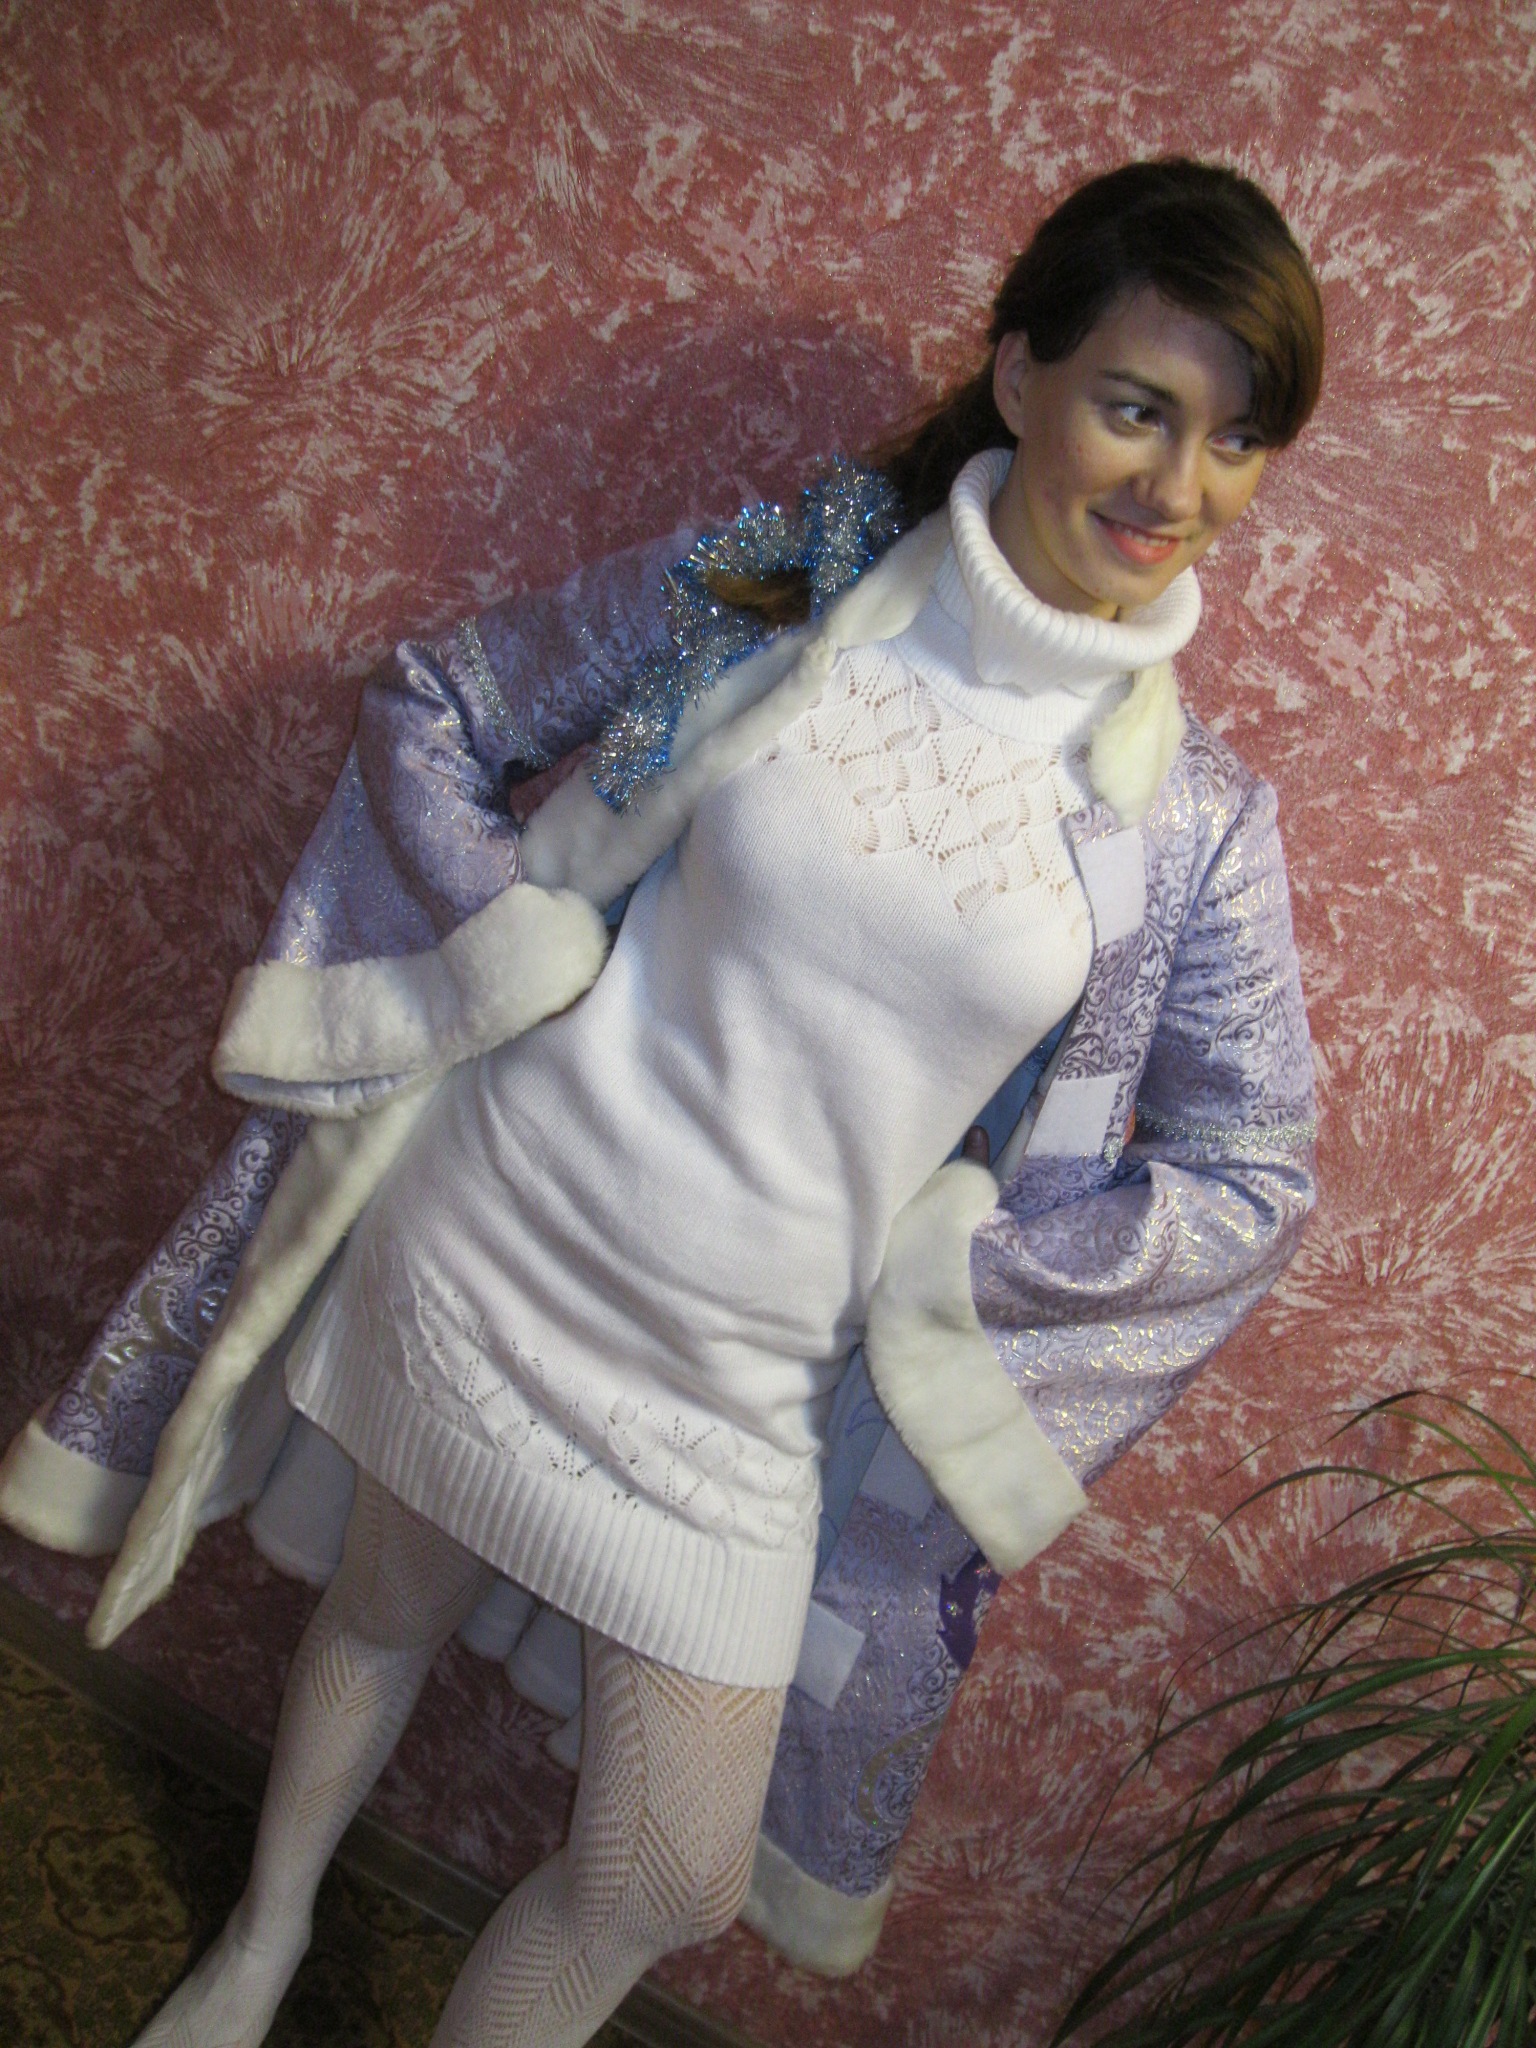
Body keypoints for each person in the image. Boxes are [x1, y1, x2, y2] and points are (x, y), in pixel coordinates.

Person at [3, 157, 1323, 2045]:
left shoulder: (1193, 830)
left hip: (747, 1388)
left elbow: (1249, 1172)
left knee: (670, 1875)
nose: (1180, 487)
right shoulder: (803, 574)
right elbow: (444, 701)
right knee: (380, 1609)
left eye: (1239, 438)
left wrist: (965, 1271)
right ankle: (260, 1945)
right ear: (1022, 375)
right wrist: (503, 945)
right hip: (509, 1228)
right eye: (1139, 406)